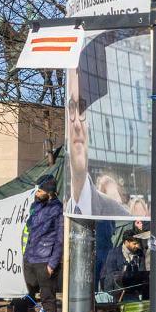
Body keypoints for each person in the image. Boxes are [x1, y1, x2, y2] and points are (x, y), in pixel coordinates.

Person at [0, 174, 63, 312]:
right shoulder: (34, 206)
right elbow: (28, 229)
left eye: (40, 190)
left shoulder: (57, 209)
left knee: (48, 300)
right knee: (22, 296)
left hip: (45, 262)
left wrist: (52, 263)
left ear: (49, 192)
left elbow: (60, 238)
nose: (37, 192)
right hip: (30, 260)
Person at [65, 58, 128, 217]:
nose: (77, 123)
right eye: (72, 108)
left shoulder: (117, 212)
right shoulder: (61, 210)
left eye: (83, 109)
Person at [98, 226, 148, 298]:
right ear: (126, 242)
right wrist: (125, 274)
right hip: (114, 289)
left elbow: (142, 271)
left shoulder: (139, 253)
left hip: (132, 288)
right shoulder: (114, 253)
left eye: (137, 243)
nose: (137, 246)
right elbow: (111, 273)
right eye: (134, 243)